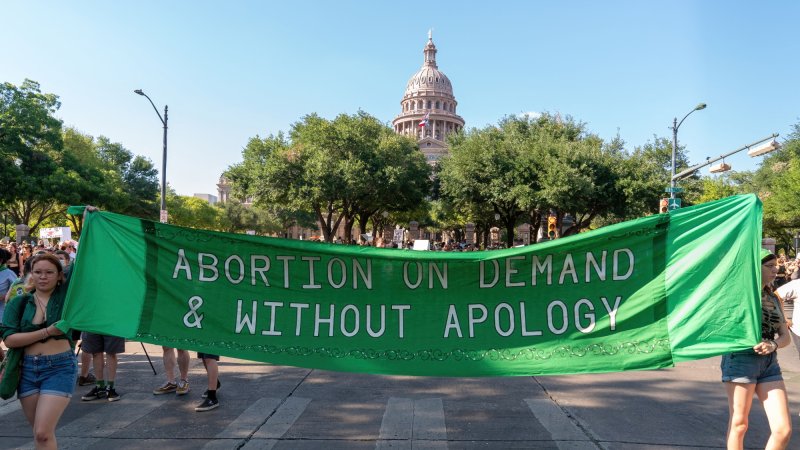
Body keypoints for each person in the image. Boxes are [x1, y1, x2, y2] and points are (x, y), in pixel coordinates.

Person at [0, 253, 76, 450]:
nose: (43, 276)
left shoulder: (66, 299)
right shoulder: (19, 302)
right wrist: (48, 331)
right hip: (27, 370)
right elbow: (9, 339)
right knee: (40, 434)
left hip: (59, 367)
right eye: (38, 272)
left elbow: (82, 265)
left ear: (60, 275)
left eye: (49, 272)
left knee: (42, 432)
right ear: (31, 275)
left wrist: (91, 224)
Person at [721, 250, 792, 450]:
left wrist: (773, 344)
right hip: (741, 359)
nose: (775, 269)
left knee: (783, 430)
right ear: (754, 267)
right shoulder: (738, 295)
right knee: (739, 424)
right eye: (769, 266)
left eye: (776, 265)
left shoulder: (774, 297)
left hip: (770, 363)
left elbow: (785, 337)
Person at [80, 332, 125, 402]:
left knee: (111, 352)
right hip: (92, 323)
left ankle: (111, 387)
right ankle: (100, 386)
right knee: (95, 352)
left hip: (113, 323)